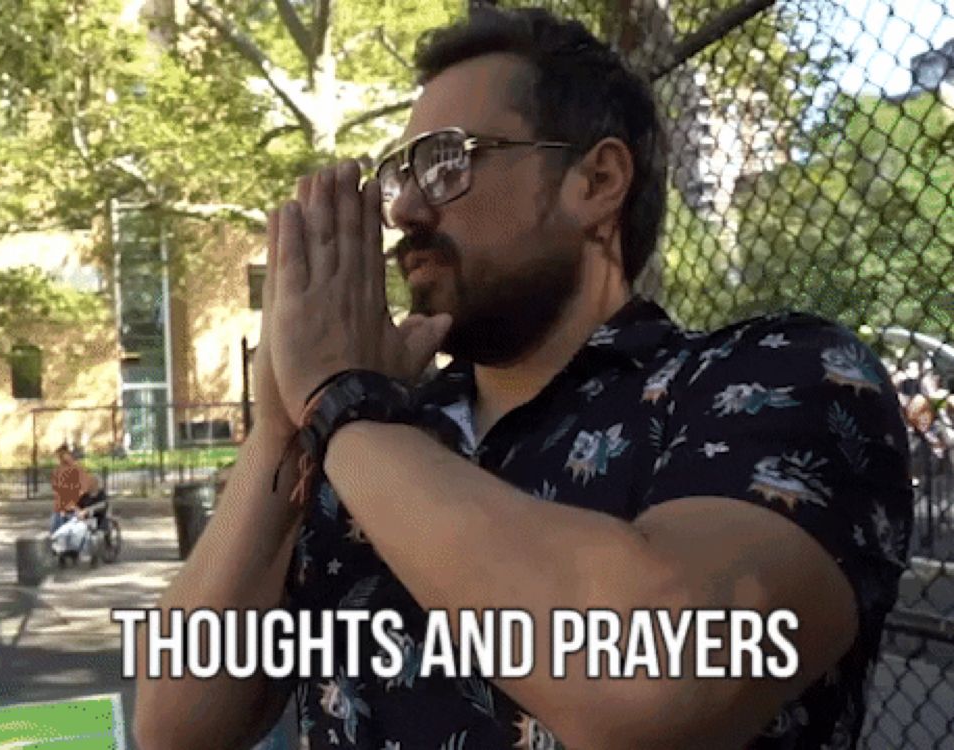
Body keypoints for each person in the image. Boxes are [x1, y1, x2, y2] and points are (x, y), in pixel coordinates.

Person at [134, 7, 912, 749]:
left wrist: (341, 398)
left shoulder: (773, 373)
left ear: (597, 182)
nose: (403, 207)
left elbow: (660, 675)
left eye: (445, 162)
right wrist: (285, 423)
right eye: (399, 174)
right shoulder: (374, 433)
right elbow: (177, 724)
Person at [49, 444, 99, 534]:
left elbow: (85, 487)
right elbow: (56, 490)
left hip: (74, 509)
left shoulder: (77, 470)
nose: (60, 458)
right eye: (59, 456)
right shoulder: (57, 471)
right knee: (55, 536)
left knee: (75, 536)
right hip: (61, 509)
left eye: (63, 455)